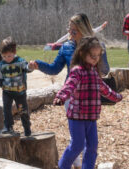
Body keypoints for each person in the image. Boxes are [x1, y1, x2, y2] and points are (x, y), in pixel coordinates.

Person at [30, 13, 111, 169]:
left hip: (90, 97)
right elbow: (54, 69)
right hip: (72, 97)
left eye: (75, 31)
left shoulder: (96, 46)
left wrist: (97, 58)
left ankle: (83, 165)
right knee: (77, 141)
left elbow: (105, 70)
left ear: (84, 30)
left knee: (90, 142)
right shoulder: (67, 47)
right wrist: (38, 64)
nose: (71, 34)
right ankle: (67, 164)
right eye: (70, 30)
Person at [53, 36, 123, 169]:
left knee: (92, 146)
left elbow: (104, 89)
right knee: (77, 145)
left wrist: (117, 97)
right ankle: (63, 166)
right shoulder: (77, 71)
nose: (96, 58)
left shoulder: (94, 72)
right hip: (77, 117)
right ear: (82, 53)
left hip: (91, 117)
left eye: (98, 55)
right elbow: (69, 85)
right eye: (92, 55)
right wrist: (61, 97)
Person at [0, 37, 33, 136]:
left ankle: (27, 128)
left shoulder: (20, 61)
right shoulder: (2, 64)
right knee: (6, 109)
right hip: (7, 92)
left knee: (22, 111)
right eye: (4, 56)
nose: (7, 58)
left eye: (9, 56)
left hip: (20, 92)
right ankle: (8, 126)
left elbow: (27, 68)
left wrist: (31, 66)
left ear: (14, 52)